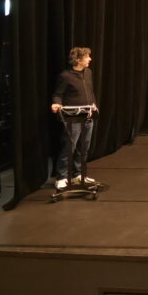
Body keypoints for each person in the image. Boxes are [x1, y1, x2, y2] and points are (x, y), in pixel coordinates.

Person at [50, 46, 98, 190]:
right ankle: (62, 177)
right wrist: (56, 103)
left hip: (87, 116)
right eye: (87, 57)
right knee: (69, 148)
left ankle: (78, 175)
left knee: (83, 148)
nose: (90, 59)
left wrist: (93, 104)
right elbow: (58, 94)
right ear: (78, 60)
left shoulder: (88, 73)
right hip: (73, 119)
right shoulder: (65, 76)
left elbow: (90, 91)